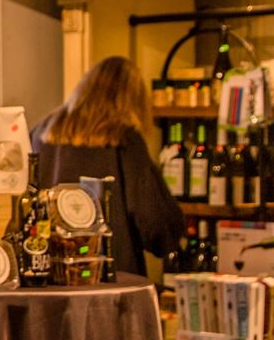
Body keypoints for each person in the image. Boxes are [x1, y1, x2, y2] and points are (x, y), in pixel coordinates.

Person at [30, 54, 183, 277]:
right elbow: (151, 218)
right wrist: (170, 238)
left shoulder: (43, 131)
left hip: (51, 269)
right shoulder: (124, 139)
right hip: (111, 274)